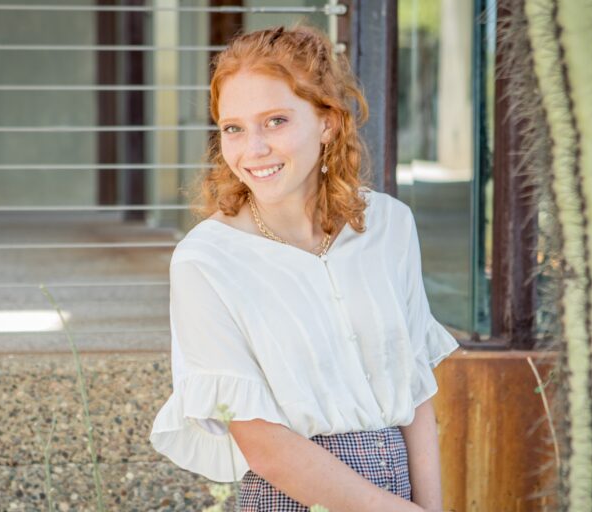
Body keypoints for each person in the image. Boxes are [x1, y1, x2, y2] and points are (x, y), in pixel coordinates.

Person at [150, 25, 459, 512]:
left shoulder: (389, 226)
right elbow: (265, 445)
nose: (253, 149)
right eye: (233, 127)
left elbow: (415, 390)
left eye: (275, 120)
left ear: (327, 122)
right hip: (292, 498)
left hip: (403, 487)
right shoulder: (205, 261)